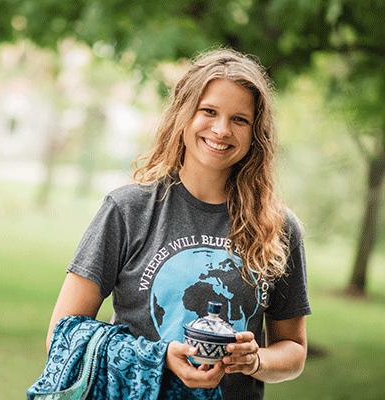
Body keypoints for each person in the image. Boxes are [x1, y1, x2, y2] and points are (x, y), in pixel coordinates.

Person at [45, 48, 311, 400]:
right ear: (184, 115)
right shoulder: (127, 210)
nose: (221, 129)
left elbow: (293, 348)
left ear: (255, 132)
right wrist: (161, 358)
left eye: (239, 119)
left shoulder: (278, 228)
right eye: (209, 111)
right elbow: (60, 336)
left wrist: (255, 360)